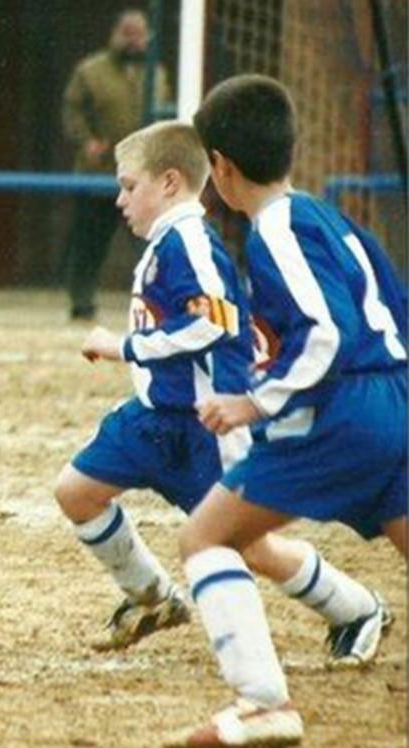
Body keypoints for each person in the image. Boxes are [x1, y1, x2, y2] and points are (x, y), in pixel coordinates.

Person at [57, 121, 391, 664]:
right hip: (152, 417)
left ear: (170, 182)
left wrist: (124, 346)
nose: (120, 200)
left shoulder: (190, 240)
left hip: (203, 426)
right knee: (76, 492)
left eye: (129, 186)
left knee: (248, 545)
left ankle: (356, 608)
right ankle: (153, 599)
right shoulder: (167, 241)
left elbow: (214, 323)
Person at [161, 74, 407, 747]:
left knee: (205, 536)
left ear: (220, 167)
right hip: (395, 401)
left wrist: (254, 401)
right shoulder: (331, 218)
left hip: (345, 411)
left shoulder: (276, 232)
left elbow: (327, 334)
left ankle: (263, 702)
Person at [60, 9, 169, 320]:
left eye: (139, 34)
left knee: (149, 241)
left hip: (142, 174)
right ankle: (81, 302)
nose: (133, 40)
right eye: (127, 33)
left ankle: (157, 302)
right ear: (115, 34)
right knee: (90, 241)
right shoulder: (90, 71)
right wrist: (86, 140)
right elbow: (71, 111)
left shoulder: (157, 73)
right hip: (100, 172)